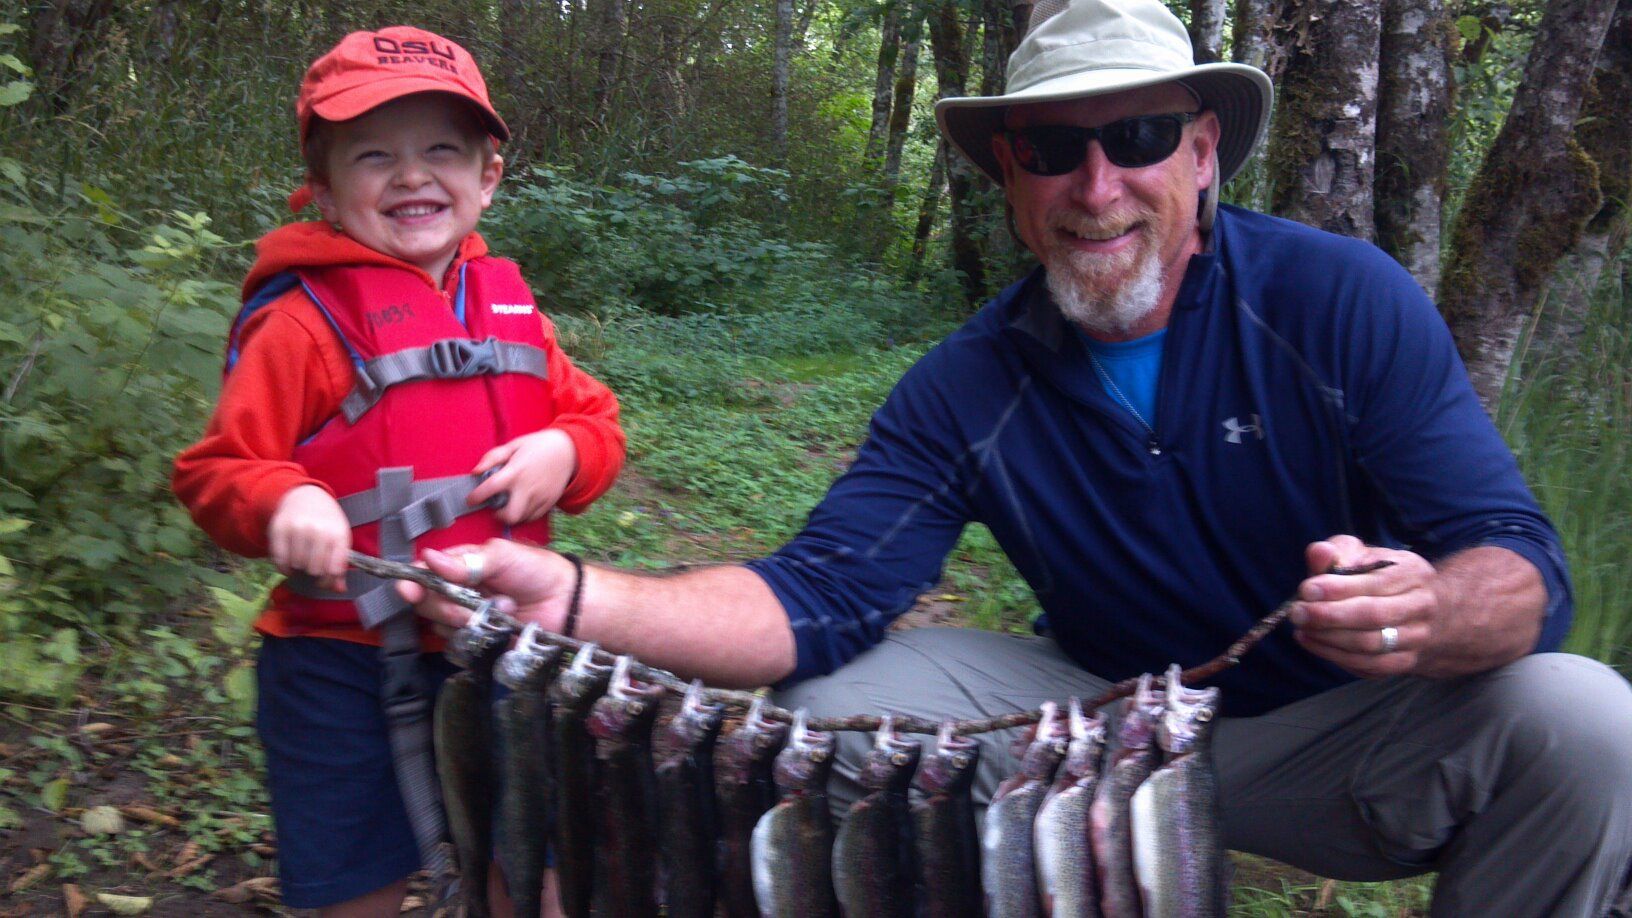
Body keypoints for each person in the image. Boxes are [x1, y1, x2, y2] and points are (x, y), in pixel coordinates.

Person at [403, 0, 1632, 913]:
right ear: (1008, 173)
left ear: (1201, 153)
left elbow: (1523, 567)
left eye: (1140, 135)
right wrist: (574, 596)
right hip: (1092, 717)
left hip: (1340, 734)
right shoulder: (970, 383)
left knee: (1586, 718)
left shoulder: (1336, 303)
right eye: (1052, 149)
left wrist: (1430, 608)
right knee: (827, 720)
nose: (1096, 185)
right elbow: (819, 597)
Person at [172, 26, 625, 917]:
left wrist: (566, 450)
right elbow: (217, 470)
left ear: (487, 177)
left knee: (529, 855)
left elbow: (596, 423)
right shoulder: (301, 324)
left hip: (498, 643)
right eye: (374, 154)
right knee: (353, 878)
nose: (412, 176)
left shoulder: (513, 312)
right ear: (324, 186)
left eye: (442, 152)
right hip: (333, 663)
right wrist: (283, 496)